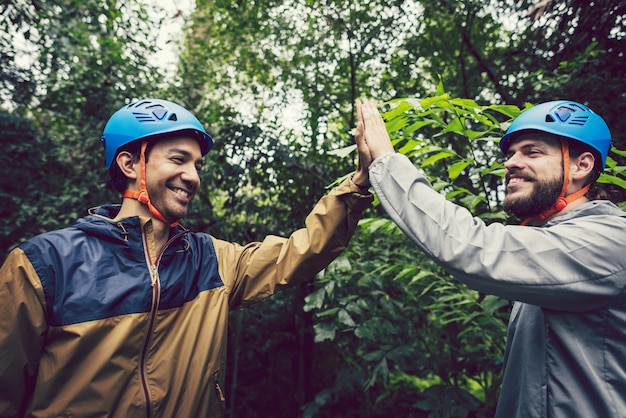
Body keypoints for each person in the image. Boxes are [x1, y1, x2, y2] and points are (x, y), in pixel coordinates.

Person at [0, 98, 373, 417]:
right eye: (179, 159)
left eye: (197, 165)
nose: (192, 176)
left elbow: (301, 251)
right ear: (130, 164)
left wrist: (357, 185)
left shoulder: (211, 259)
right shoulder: (43, 265)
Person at [354, 98, 626, 417]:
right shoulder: (554, 244)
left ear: (582, 166)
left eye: (532, 151)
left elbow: (473, 246)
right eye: (510, 154)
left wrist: (387, 162)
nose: (510, 163)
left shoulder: (610, 240)